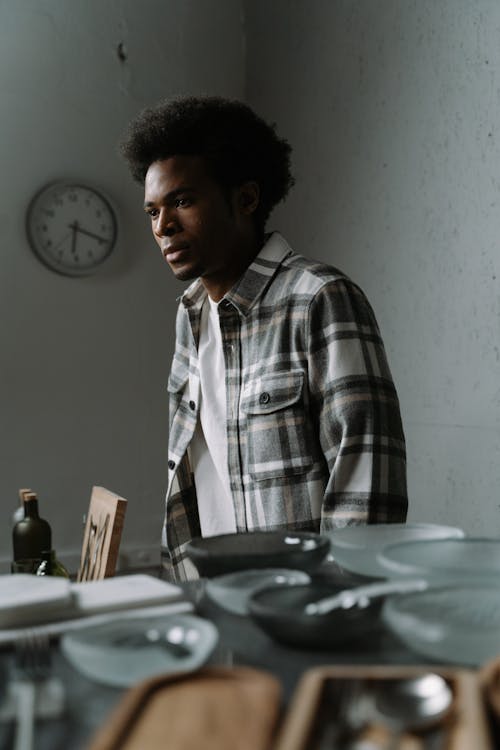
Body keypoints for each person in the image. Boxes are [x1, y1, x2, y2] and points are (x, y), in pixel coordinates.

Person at [120, 96, 408, 581]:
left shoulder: (319, 297)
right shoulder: (190, 314)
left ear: (247, 199)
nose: (163, 226)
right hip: (213, 590)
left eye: (183, 201)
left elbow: (368, 477)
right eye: (152, 210)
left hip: (300, 601)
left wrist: (328, 603)